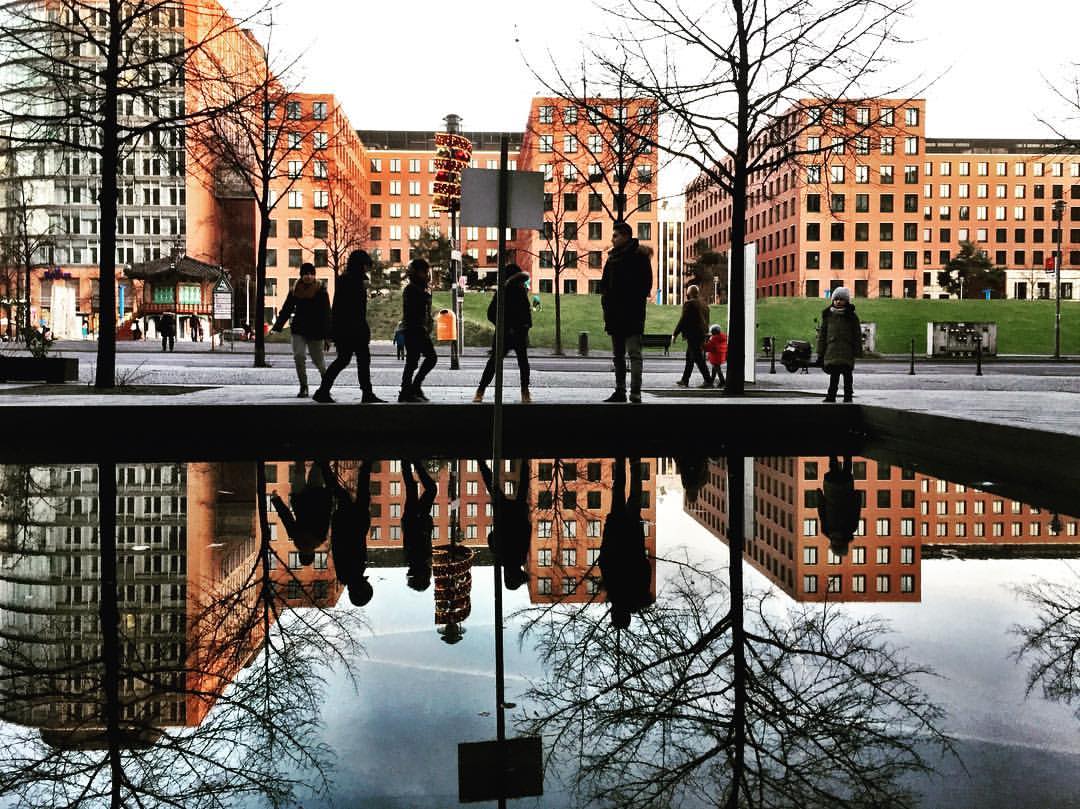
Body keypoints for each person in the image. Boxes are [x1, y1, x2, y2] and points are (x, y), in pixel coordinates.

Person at [313, 250, 384, 404]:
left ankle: (323, 391)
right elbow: (353, 309)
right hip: (353, 329)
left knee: (344, 360)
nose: (367, 269)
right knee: (361, 360)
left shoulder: (346, 279)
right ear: (361, 265)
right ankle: (366, 393)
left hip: (345, 328)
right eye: (366, 265)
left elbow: (338, 307)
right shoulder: (354, 281)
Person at [599, 221, 653, 403]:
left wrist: (626, 300)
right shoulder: (612, 258)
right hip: (617, 314)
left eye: (615, 235)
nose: (612, 239)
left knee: (633, 354)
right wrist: (606, 304)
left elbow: (646, 285)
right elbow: (604, 285)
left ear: (625, 236)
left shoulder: (639, 257)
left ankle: (634, 392)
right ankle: (621, 391)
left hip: (631, 314)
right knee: (619, 356)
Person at [598, 457, 653, 628]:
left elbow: (646, 568)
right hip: (616, 532)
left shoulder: (639, 594)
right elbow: (605, 560)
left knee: (634, 497)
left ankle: (635, 463)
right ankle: (621, 461)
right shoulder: (613, 592)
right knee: (619, 493)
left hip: (633, 537)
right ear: (616, 614)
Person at [473, 263, 532, 403]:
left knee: (495, 363)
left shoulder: (508, 291)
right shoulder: (509, 292)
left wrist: (521, 326)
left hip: (508, 333)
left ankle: (480, 391)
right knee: (519, 363)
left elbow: (491, 313)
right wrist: (523, 326)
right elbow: (525, 314)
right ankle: (525, 392)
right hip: (511, 333)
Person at [272, 262, 331, 398]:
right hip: (299, 329)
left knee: (318, 361)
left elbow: (327, 314)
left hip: (316, 331)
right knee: (299, 356)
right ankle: (303, 386)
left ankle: (326, 384)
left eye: (311, 274)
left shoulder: (321, 291)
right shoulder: (295, 290)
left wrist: (328, 335)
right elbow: (286, 309)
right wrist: (277, 326)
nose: (308, 276)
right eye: (305, 274)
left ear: (314, 275)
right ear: (301, 275)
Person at [323, 460, 374, 606]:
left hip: (352, 523)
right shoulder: (348, 575)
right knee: (345, 494)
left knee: (349, 494)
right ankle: (325, 466)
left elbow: (347, 544)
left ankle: (324, 465)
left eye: (367, 588)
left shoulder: (352, 573)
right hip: (350, 523)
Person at [478, 458, 531, 590]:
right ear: (507, 576)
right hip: (504, 517)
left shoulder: (520, 560)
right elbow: (491, 538)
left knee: (523, 488)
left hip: (518, 516)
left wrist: (525, 520)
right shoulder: (501, 559)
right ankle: (481, 463)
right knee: (492, 487)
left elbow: (526, 534)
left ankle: (525, 461)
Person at [270, 461, 332, 568]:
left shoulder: (320, 537)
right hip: (300, 498)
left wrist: (328, 494)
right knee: (299, 470)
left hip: (316, 496)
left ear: (313, 554)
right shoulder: (296, 537)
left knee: (317, 468)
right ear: (299, 553)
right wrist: (276, 499)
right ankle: (299, 447)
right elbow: (286, 517)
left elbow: (326, 512)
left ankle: (322, 447)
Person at [398, 258, 438, 403]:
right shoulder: (411, 289)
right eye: (424, 272)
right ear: (417, 272)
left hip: (420, 329)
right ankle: (408, 390)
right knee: (416, 360)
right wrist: (425, 297)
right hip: (414, 329)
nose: (427, 275)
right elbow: (413, 310)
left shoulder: (421, 288)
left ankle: (412, 388)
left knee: (419, 360)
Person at [816, 286, 862, 403]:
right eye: (836, 299)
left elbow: (857, 334)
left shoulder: (851, 316)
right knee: (834, 376)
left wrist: (857, 351)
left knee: (847, 376)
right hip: (832, 350)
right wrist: (820, 351)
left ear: (846, 301)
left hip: (847, 350)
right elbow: (822, 335)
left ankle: (848, 395)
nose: (838, 301)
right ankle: (831, 395)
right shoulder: (828, 316)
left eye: (841, 299)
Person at [401, 460, 438, 591]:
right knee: (413, 488)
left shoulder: (418, 559)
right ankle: (409, 461)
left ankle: (411, 461)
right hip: (415, 517)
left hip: (416, 517)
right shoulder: (414, 561)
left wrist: (423, 520)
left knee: (428, 489)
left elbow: (419, 536)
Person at [816, 456, 861, 557]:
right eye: (838, 540)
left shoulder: (850, 528)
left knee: (840, 467)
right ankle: (840, 447)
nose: (834, 538)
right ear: (844, 541)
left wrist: (819, 496)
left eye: (833, 540)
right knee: (839, 467)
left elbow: (822, 511)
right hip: (838, 490)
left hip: (837, 490)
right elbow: (856, 509)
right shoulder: (848, 528)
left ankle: (841, 447)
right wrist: (819, 496)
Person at [672, 284, 711, 388]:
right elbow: (707, 321)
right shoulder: (704, 304)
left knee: (698, 358)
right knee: (690, 358)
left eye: (687, 292)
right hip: (702, 334)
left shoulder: (689, 304)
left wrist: (675, 334)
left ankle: (708, 380)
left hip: (693, 335)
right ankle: (685, 380)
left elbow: (683, 320)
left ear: (690, 293)